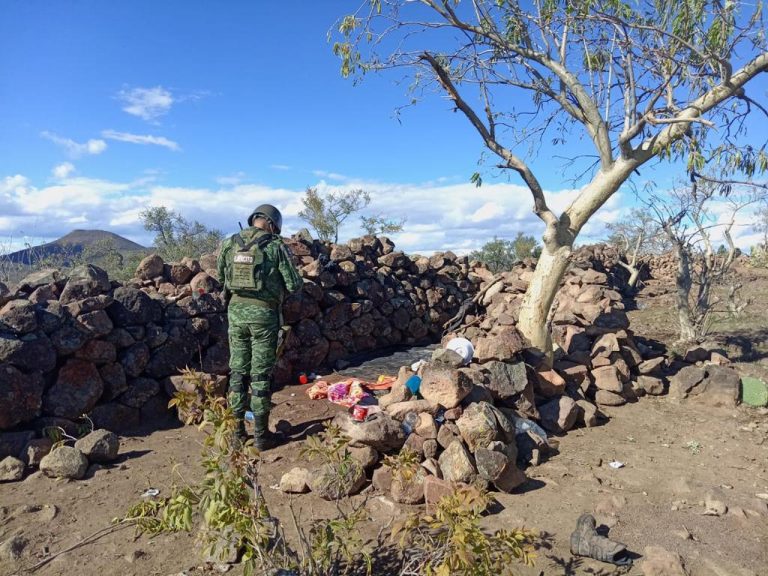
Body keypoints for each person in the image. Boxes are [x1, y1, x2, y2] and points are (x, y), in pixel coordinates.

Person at [217, 204, 303, 449]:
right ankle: (262, 436)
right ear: (273, 224)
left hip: (235, 313)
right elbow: (294, 284)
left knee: (237, 373)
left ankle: (236, 434)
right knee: (260, 376)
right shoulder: (275, 246)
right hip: (264, 316)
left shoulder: (229, 243)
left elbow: (221, 278)